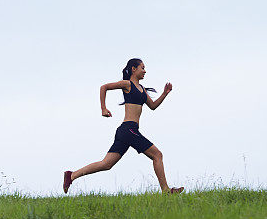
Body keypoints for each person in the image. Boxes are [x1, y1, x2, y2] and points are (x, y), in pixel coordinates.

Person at [63, 58, 184, 195]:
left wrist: (165, 93)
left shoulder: (142, 90)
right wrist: (103, 108)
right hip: (128, 129)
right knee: (157, 155)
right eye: (142, 68)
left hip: (126, 131)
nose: (145, 71)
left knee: (106, 164)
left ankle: (71, 175)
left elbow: (153, 106)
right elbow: (104, 87)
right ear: (133, 69)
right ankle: (166, 190)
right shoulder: (127, 84)